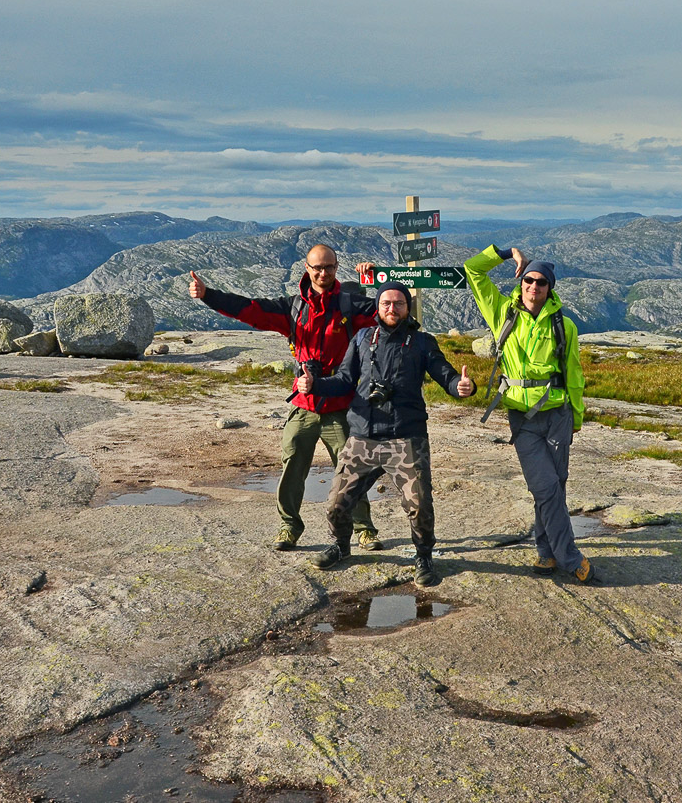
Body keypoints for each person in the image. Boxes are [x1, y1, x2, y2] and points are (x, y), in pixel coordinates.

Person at [187, 245, 383, 551]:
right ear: (306, 268)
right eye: (317, 267)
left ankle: (364, 528)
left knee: (351, 469)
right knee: (292, 465)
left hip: (341, 403)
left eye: (329, 267)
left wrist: (377, 282)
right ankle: (289, 526)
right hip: (304, 405)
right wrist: (208, 295)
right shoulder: (293, 308)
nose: (323, 273)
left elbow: (390, 313)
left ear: (337, 268)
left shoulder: (351, 306)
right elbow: (250, 309)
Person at [297, 281, 476, 586]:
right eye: (386, 304)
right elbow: (343, 379)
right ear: (378, 308)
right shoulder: (363, 338)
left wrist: (460, 388)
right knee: (336, 505)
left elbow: (444, 373)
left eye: (399, 303)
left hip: (406, 437)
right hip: (363, 436)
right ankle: (341, 547)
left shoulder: (422, 342)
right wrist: (315, 385)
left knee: (419, 504)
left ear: (408, 307)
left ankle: (423, 556)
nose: (392, 309)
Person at [463, 245, 597, 584]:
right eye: (528, 281)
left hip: (558, 415)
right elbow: (473, 270)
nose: (533, 287)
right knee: (546, 487)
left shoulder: (564, 326)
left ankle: (545, 553)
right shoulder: (502, 313)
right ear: (520, 282)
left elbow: (574, 375)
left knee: (554, 488)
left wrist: (576, 418)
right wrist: (507, 253)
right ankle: (570, 557)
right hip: (523, 419)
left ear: (549, 288)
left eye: (540, 283)